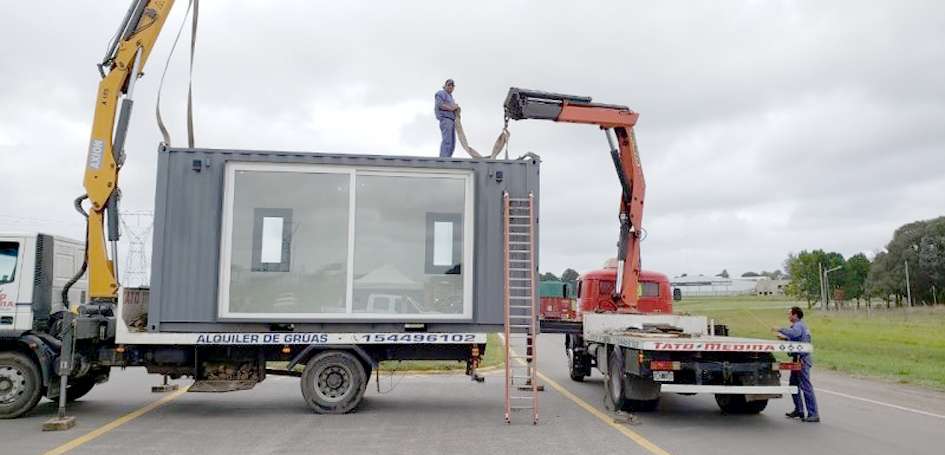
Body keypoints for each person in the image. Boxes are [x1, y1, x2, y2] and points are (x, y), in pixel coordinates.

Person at [773, 306, 820, 423]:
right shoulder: (800, 326)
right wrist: (785, 339)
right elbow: (796, 338)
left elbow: (794, 333)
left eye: (789, 314)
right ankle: (799, 410)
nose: (788, 316)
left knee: (805, 386)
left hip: (802, 359)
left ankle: (813, 414)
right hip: (797, 359)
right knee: (793, 385)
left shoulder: (798, 326)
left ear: (795, 315)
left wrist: (780, 329)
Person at [434, 79, 460, 157]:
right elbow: (440, 105)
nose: (450, 87)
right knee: (447, 140)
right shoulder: (441, 93)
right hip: (445, 119)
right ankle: (443, 159)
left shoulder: (451, 97)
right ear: (445, 86)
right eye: (449, 85)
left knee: (452, 142)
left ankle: (448, 158)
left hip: (452, 120)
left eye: (452, 86)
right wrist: (452, 108)